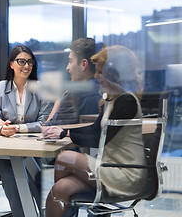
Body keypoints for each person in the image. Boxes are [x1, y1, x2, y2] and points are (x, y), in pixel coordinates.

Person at [42, 45, 146, 217]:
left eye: (100, 72)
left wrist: (64, 134)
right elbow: (95, 129)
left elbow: (98, 138)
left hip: (125, 173)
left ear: (116, 73)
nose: (96, 76)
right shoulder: (113, 99)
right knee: (61, 188)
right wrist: (64, 132)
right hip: (111, 168)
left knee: (64, 157)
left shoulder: (126, 100)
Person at [0, 44, 51, 217]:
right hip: (3, 153)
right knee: (14, 178)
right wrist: (1, 129)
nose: (26, 66)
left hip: (32, 152)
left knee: (36, 178)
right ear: (11, 64)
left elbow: (43, 123)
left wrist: (16, 128)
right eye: (21, 61)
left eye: (30, 62)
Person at [45, 37, 102, 126]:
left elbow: (47, 129)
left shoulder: (74, 96)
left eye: (71, 61)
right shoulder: (106, 91)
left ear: (83, 64)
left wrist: (59, 101)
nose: (67, 67)